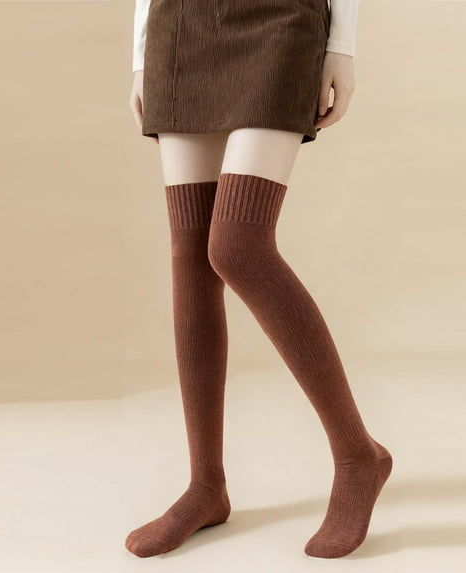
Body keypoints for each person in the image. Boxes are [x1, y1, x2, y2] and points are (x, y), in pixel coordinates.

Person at [124, 0, 393, 560]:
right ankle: (206, 485)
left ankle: (357, 455)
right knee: (191, 255)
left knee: (238, 245)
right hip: (181, 26)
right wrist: (140, 55)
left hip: (281, 20)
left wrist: (340, 45)